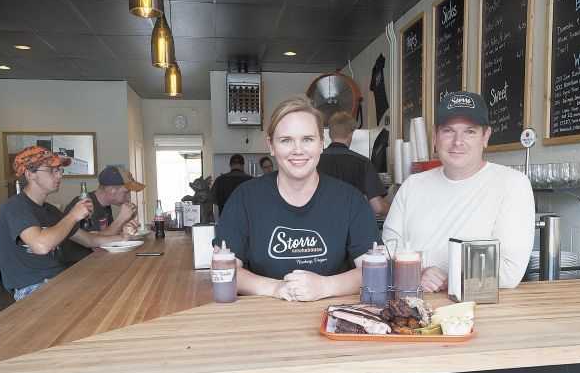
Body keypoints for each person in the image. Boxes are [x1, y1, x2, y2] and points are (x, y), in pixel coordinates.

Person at [214, 94, 382, 301]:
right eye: (286, 140)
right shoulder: (244, 198)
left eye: (307, 139)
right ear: (271, 146)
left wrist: (324, 286)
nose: (298, 151)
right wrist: (276, 288)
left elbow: (375, 269)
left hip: (333, 319)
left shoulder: (351, 200)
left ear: (321, 143)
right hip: (261, 320)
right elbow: (224, 268)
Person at [382, 91, 534, 292]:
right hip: (414, 312)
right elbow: (386, 254)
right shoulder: (412, 185)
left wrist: (419, 263)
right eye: (448, 131)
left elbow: (509, 272)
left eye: (469, 131)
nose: (458, 141)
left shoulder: (513, 185)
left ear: (486, 136)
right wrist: (417, 273)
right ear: (435, 135)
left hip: (480, 314)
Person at [0, 146, 131, 300]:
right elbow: (41, 245)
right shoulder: (15, 207)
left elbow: (88, 240)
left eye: (59, 170)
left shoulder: (51, 211)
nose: (59, 175)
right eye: (51, 170)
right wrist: (73, 215)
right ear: (29, 174)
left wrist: (123, 238)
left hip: (57, 280)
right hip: (32, 289)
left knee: (116, 286)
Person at [59, 166, 143, 265]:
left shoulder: (106, 206)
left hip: (99, 260)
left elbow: (109, 235)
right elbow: (93, 242)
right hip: (78, 265)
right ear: (111, 190)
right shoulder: (85, 204)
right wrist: (121, 219)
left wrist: (126, 224)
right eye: (127, 192)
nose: (129, 196)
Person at [317, 111, 390, 216]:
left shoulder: (314, 160)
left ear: (330, 134)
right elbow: (378, 207)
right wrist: (398, 212)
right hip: (351, 227)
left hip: (320, 225)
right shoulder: (364, 163)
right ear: (350, 135)